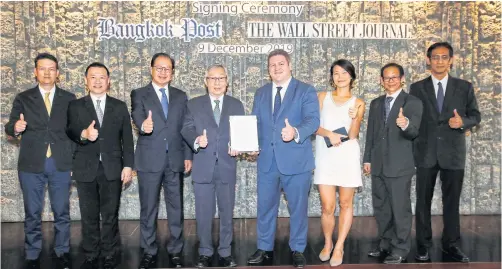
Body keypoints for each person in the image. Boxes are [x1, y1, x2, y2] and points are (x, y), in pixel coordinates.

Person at [246, 49, 320, 268]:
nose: (276, 68)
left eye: (281, 64)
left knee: (298, 208)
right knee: (265, 208)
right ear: (268, 70)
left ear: (289, 66)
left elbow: (313, 120)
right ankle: (264, 247)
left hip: (296, 162)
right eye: (272, 65)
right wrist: (251, 145)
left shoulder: (305, 90)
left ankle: (298, 248)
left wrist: (295, 132)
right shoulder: (260, 93)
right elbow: (255, 123)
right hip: (268, 162)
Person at [410, 42, 481, 263]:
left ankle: (451, 245)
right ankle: (423, 246)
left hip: (453, 154)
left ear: (451, 60)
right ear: (428, 60)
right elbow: (414, 120)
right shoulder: (417, 88)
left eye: (444, 57)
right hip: (426, 153)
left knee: (452, 202)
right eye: (435, 57)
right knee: (423, 202)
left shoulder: (464, 87)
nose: (439, 61)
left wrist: (463, 122)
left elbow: (475, 116)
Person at [5, 53, 76, 269]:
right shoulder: (23, 98)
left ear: (58, 73)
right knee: (32, 212)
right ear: (35, 72)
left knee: (62, 211)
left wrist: (73, 161)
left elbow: (73, 132)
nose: (47, 72)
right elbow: (10, 125)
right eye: (42, 68)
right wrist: (15, 128)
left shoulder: (69, 98)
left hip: (60, 163)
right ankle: (32, 252)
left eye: (51, 68)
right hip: (31, 164)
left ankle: (62, 250)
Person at [66, 62, 134, 269]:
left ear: (108, 81)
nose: (97, 81)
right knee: (89, 214)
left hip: (113, 167)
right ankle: (91, 251)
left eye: (102, 77)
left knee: (110, 213)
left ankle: (110, 251)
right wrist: (84, 135)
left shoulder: (119, 106)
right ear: (86, 81)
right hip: (85, 167)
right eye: (93, 77)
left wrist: (128, 166)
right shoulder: (76, 106)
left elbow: (127, 140)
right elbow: (70, 131)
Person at [131, 53, 193, 269]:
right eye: (159, 67)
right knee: (148, 208)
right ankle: (149, 249)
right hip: (149, 160)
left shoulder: (180, 95)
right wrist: (143, 125)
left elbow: (186, 127)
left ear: (172, 72)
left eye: (168, 68)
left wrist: (187, 155)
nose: (163, 72)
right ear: (151, 69)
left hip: (175, 160)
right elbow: (137, 116)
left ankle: (176, 250)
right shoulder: (139, 94)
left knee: (176, 208)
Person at [181, 65, 245, 268]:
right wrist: (197, 140)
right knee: (203, 212)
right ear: (205, 81)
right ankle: (205, 251)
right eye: (213, 78)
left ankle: (225, 251)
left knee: (227, 212)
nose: (217, 83)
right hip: (202, 165)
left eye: (221, 78)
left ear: (227, 81)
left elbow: (242, 133)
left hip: (227, 165)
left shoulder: (237, 105)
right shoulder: (194, 104)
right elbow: (186, 128)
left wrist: (239, 146)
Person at [363, 63, 423, 264]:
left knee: (400, 209)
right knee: (382, 208)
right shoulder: (376, 103)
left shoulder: (412, 102)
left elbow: (414, 131)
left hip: (400, 166)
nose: (390, 81)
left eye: (394, 77)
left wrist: (405, 124)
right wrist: (367, 159)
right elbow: (371, 134)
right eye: (386, 78)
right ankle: (386, 243)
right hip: (378, 164)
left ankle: (401, 248)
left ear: (402, 78)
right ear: (381, 81)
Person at [313, 59, 365, 267]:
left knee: (345, 203)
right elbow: (313, 125)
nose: (340, 76)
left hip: (347, 156)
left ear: (351, 76)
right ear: (331, 77)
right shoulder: (322, 97)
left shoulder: (359, 102)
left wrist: (355, 118)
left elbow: (353, 134)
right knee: (327, 205)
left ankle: (340, 245)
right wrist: (330, 134)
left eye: (344, 73)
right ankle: (327, 243)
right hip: (326, 156)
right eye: (336, 73)